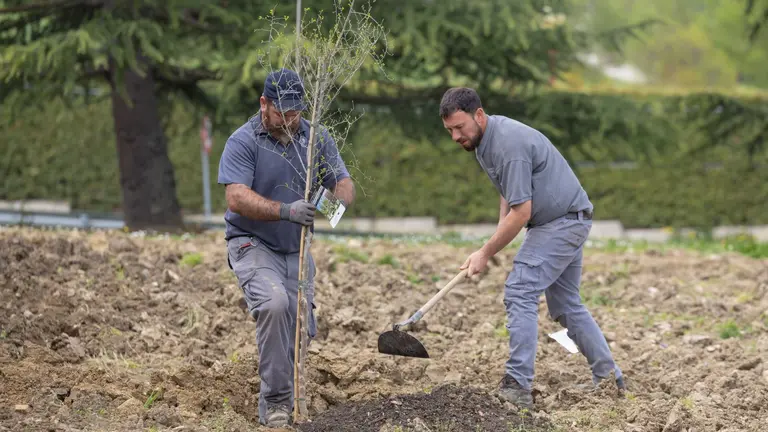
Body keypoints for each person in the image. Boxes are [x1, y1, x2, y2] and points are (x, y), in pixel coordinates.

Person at [438, 87, 624, 410]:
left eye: (459, 127)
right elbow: (508, 191)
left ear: (478, 115)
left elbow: (522, 212)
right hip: (567, 219)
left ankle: (517, 385)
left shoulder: (508, 143)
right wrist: (499, 235)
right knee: (565, 304)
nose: (455, 136)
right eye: (450, 130)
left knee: (519, 290)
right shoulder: (483, 143)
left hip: (562, 222)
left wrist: (485, 252)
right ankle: (610, 377)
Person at [217, 68, 356, 428]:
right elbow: (235, 197)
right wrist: (285, 211)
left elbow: (343, 185)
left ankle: (298, 402)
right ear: (264, 104)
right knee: (276, 304)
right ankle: (276, 405)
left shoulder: (314, 138)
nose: (290, 119)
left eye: (296, 112)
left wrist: (328, 203)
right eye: (283, 112)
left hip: (296, 249)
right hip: (252, 243)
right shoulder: (243, 140)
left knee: (299, 319)